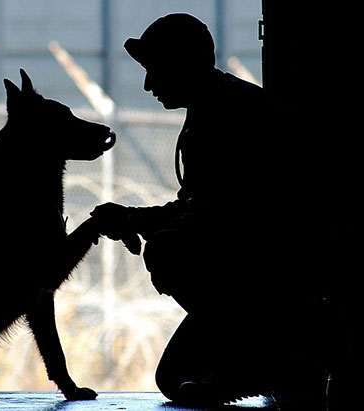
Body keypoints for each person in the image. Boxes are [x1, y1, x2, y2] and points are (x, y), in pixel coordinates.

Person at [91, 13, 327, 408]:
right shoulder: (220, 106)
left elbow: (218, 219)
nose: (149, 84)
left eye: (156, 70)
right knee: (173, 379)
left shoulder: (229, 115)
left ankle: (277, 353)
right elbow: (206, 208)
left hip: (268, 276)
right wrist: (134, 218)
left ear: (184, 65)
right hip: (264, 274)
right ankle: (278, 359)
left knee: (169, 252)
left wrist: (136, 220)